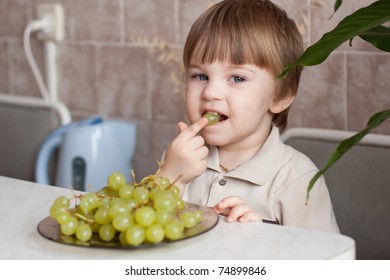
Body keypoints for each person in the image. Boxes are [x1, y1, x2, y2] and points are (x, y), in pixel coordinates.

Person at [158, 0, 339, 233]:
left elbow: (329, 264)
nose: (211, 92)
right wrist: (171, 177)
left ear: (281, 96)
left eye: (237, 78)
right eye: (200, 76)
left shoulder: (297, 180)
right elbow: (147, 239)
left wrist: (262, 244)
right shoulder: (178, 159)